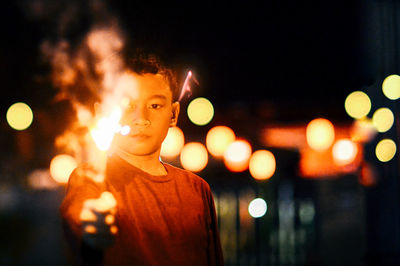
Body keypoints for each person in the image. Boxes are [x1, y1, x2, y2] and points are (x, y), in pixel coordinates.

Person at [60, 53, 224, 266]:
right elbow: (79, 214)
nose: (141, 119)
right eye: (127, 106)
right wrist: (92, 225)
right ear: (104, 114)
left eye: (155, 106)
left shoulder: (197, 189)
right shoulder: (91, 178)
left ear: (173, 114)